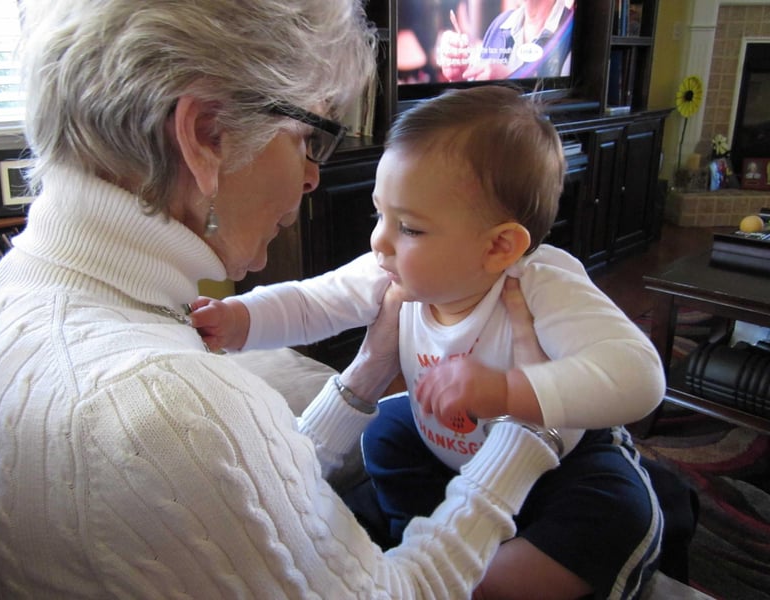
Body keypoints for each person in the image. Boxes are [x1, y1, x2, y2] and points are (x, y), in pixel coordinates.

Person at [0, 2, 563, 598]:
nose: (312, 178)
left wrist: (366, 374)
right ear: (206, 135)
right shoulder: (161, 406)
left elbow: (239, 504)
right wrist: (527, 439)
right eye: (309, 138)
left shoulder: (10, 287)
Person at [190, 85, 668, 598]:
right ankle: (426, 544)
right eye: (380, 214)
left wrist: (509, 391)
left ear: (499, 246)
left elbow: (641, 376)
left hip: (562, 461)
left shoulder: (542, 283)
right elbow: (315, 301)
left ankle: (498, 568)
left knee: (619, 513)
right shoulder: (393, 273)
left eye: (410, 228)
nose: (380, 240)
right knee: (388, 431)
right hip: (446, 450)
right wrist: (240, 317)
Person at [439, 0, 573, 82]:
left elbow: (567, 114)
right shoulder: (499, 25)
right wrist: (459, 78)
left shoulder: (572, 30)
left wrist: (511, 85)